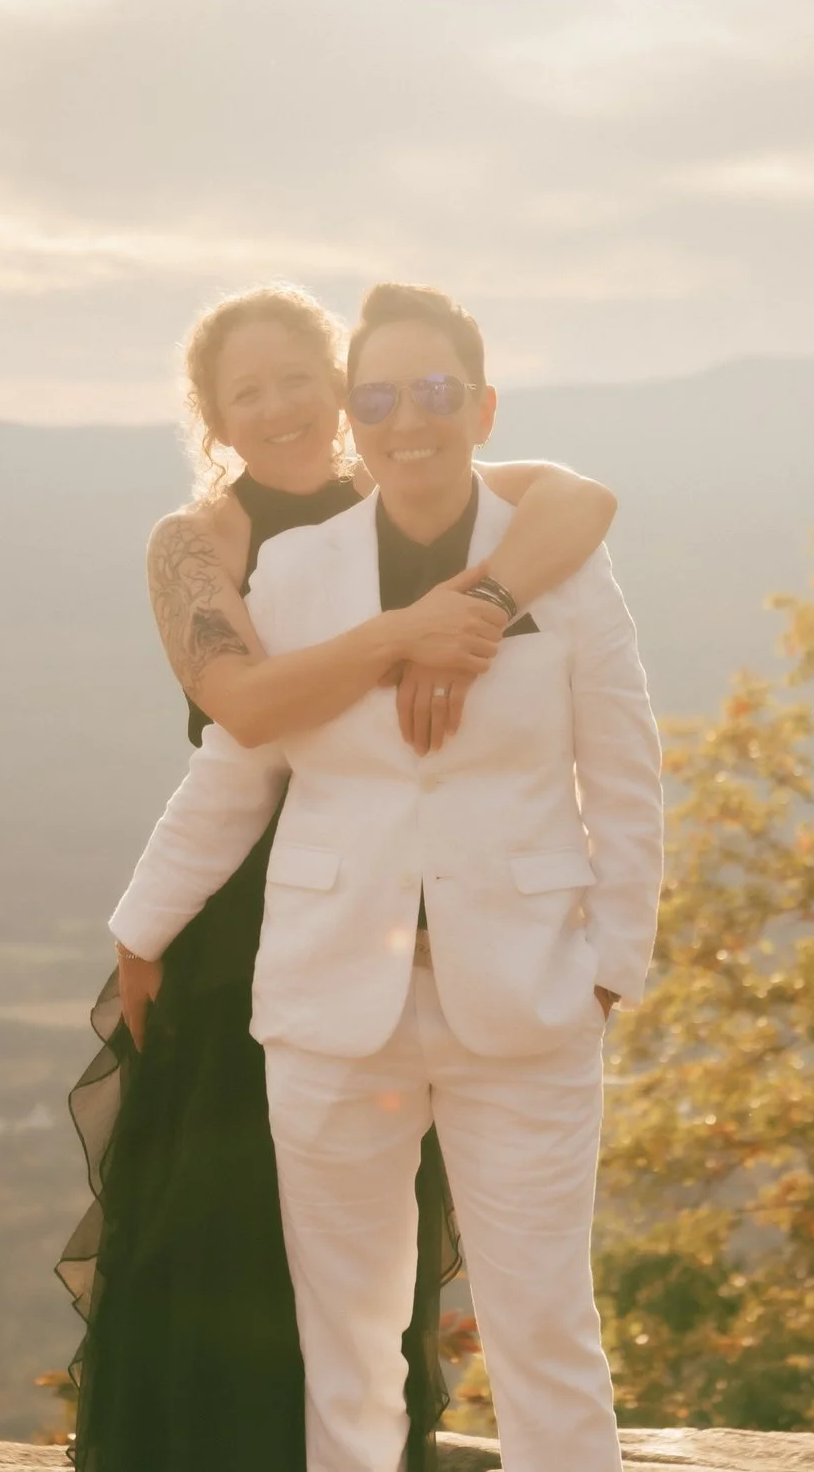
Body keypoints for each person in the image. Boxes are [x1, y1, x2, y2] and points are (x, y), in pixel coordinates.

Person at [59, 283, 621, 1471]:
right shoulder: (216, 548)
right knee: (261, 1268)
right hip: (264, 933)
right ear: (213, 415)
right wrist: (405, 632)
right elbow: (241, 728)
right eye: (244, 391)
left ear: (338, 394)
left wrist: (480, 597)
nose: (277, 406)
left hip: (483, 954)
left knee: (472, 1297)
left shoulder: (450, 501)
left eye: (297, 379)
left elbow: (584, 505)